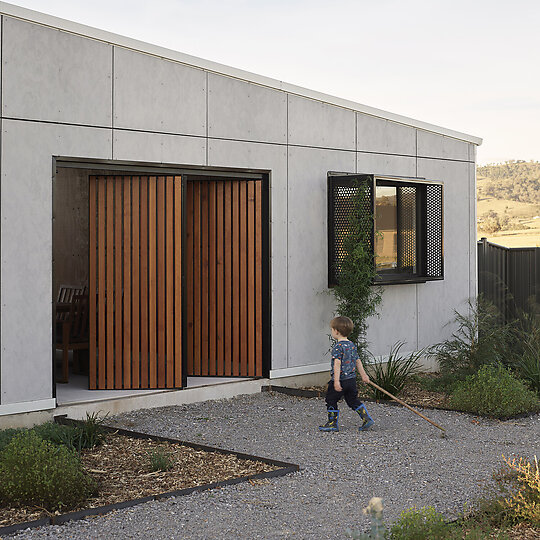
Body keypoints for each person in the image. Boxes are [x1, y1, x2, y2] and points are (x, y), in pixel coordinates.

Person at [319, 316, 374, 432]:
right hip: (351, 380)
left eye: (332, 330)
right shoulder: (352, 345)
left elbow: (337, 364)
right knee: (352, 400)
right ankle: (366, 418)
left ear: (337, 331)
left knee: (331, 399)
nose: (332, 332)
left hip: (341, 380)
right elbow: (358, 361)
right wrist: (364, 375)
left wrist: (337, 381)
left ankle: (332, 423)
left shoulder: (338, 347)